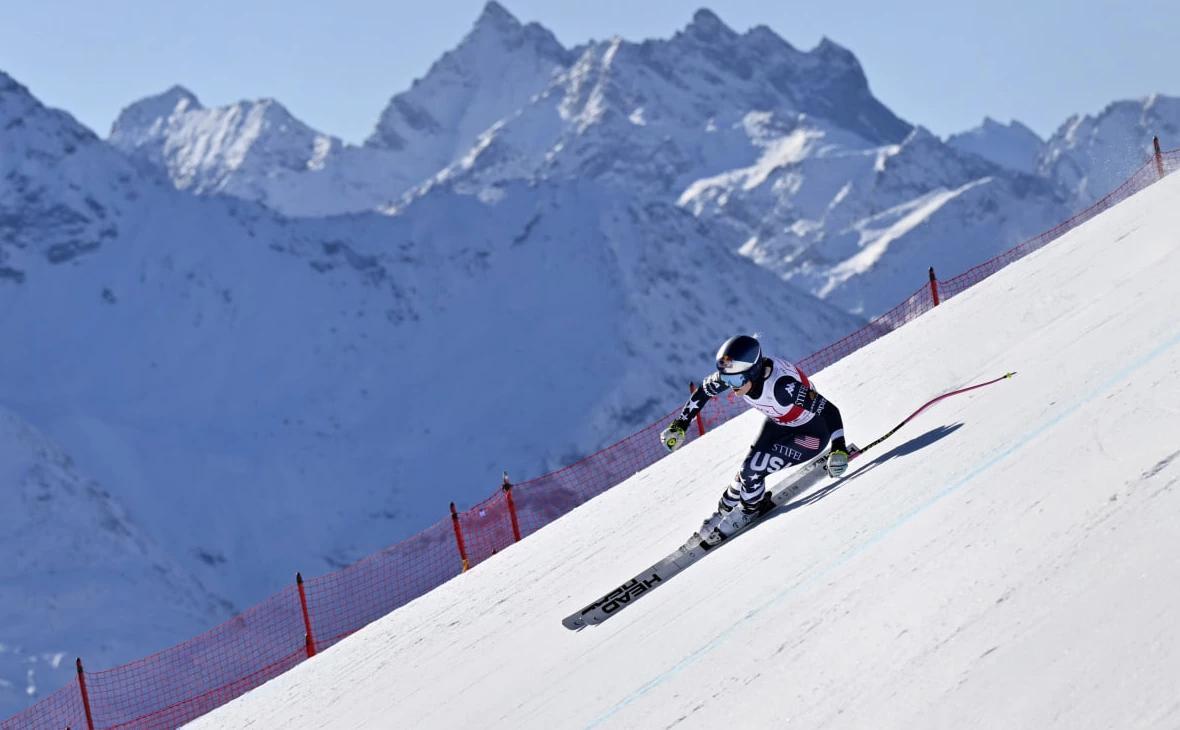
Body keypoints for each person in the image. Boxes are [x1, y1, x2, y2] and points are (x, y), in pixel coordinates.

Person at [660, 334, 849, 537]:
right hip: (779, 424)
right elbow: (704, 391)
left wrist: (839, 448)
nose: (732, 386)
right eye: (727, 379)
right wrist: (680, 425)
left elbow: (829, 410)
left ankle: (750, 510)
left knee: (752, 470)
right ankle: (724, 510)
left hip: (812, 433)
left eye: (736, 379)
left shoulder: (783, 387)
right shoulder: (739, 374)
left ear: (753, 371)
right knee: (743, 476)